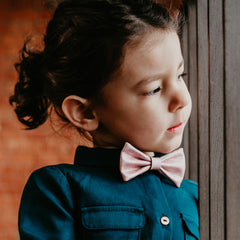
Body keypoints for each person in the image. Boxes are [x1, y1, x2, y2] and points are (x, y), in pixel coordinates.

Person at [10, 0, 199, 239]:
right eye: (154, 89)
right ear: (84, 112)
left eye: (180, 75)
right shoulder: (60, 190)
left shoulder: (196, 196)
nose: (182, 99)